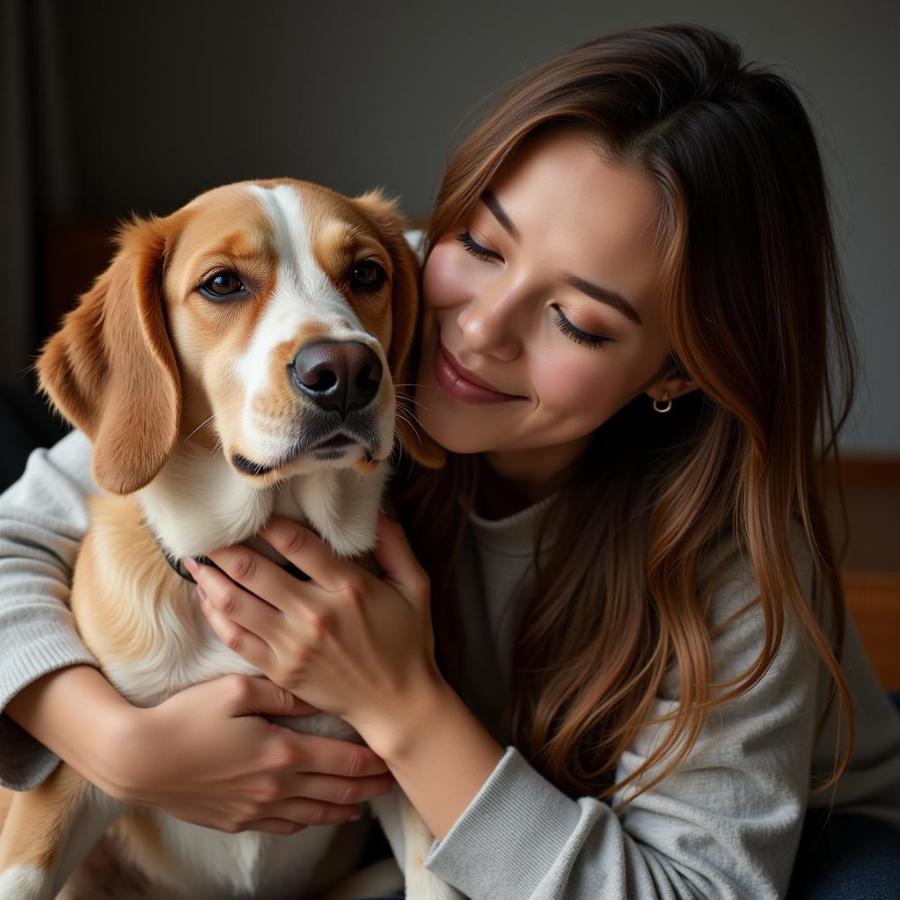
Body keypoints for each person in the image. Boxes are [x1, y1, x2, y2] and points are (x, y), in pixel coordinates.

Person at [1, 22, 899, 900]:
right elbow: (51, 508)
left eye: (578, 321)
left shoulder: (735, 558)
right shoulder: (370, 307)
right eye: (480, 243)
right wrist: (114, 746)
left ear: (676, 367)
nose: (475, 331)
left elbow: (697, 887)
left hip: (772, 837)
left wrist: (399, 703)